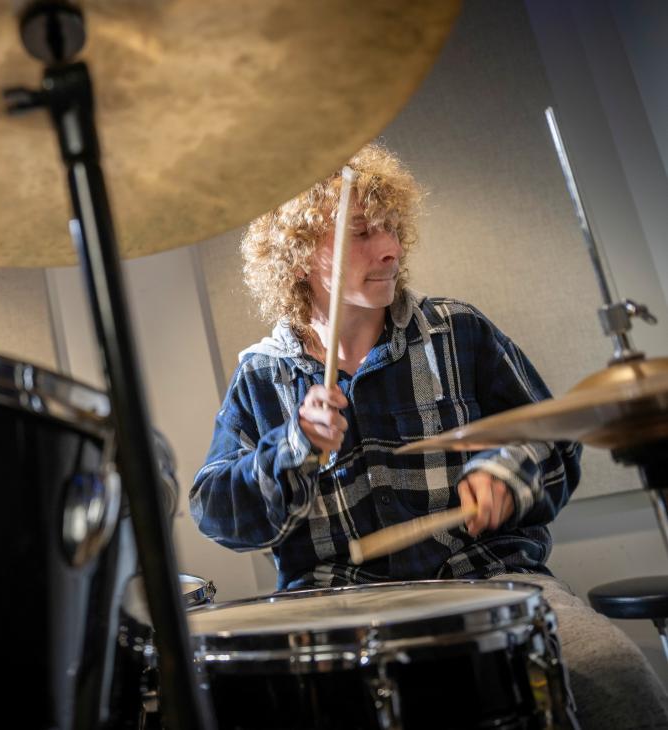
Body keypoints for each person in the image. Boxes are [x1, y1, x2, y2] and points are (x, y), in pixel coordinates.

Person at [190, 144, 668, 728]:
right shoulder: (261, 376)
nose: (390, 248)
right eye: (361, 232)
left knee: (615, 676)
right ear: (296, 257)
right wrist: (292, 446)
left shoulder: (457, 330)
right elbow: (216, 513)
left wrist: (505, 474)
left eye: (392, 228)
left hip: (489, 582)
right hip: (332, 613)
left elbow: (554, 440)